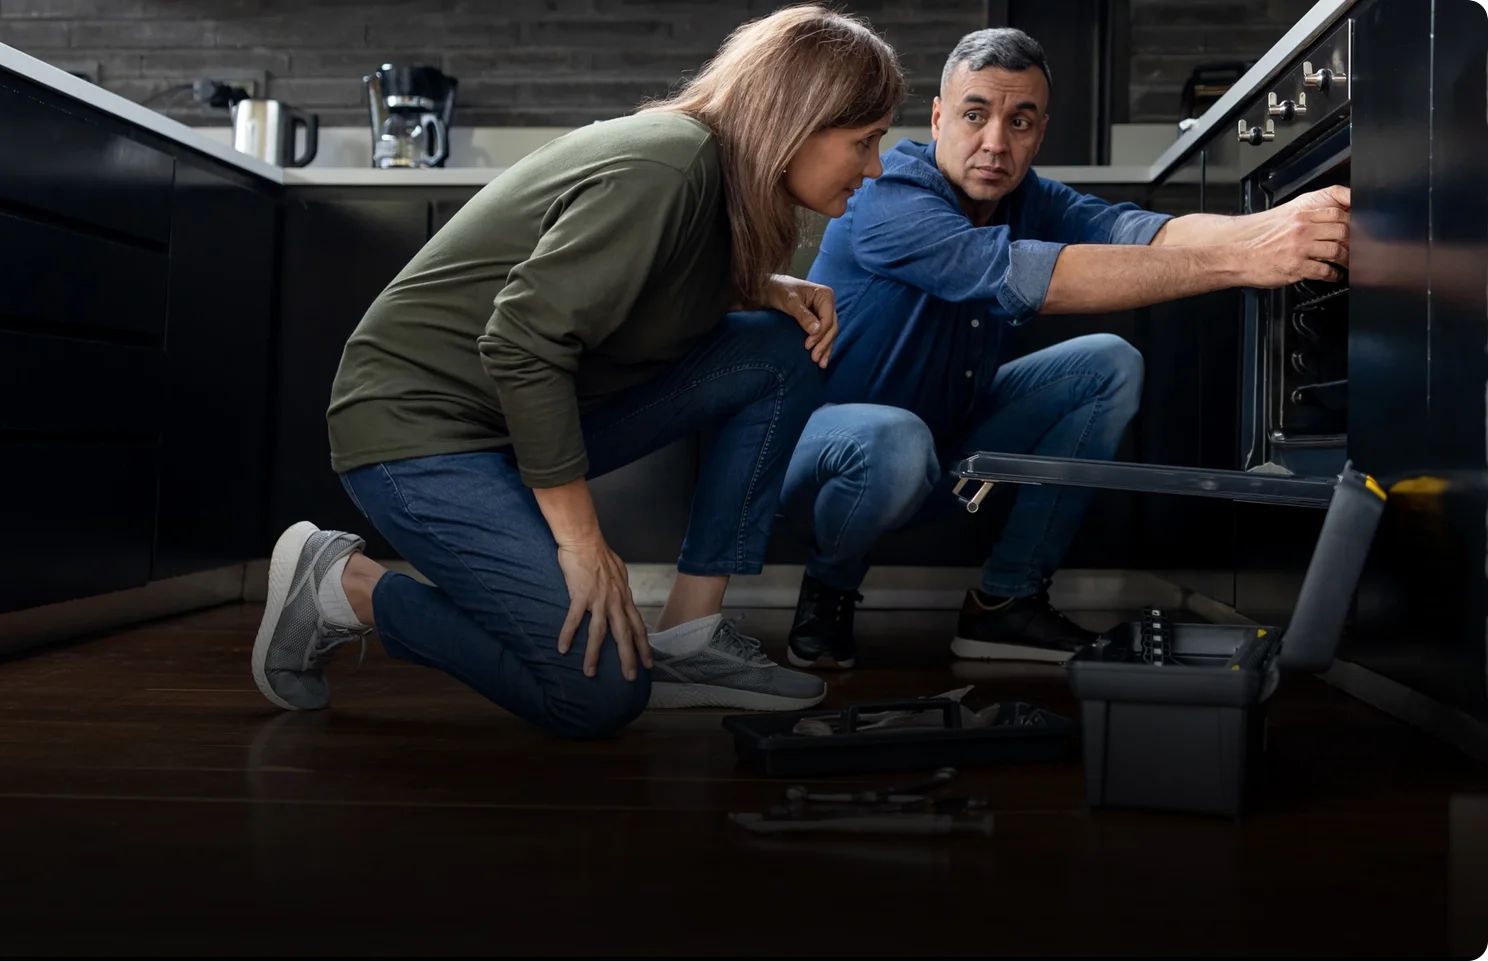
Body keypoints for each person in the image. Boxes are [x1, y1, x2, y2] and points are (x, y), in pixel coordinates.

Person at [248, 5, 908, 738]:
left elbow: (635, 289)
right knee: (598, 694)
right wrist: (583, 544)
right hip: (417, 428)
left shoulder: (716, 182)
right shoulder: (671, 164)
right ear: (797, 120)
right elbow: (522, 344)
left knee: (782, 350)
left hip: (502, 418)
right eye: (864, 141)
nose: (875, 166)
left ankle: (688, 638)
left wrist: (760, 285)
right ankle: (345, 587)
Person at [780, 27, 1352, 669]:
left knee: (1106, 363)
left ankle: (1005, 605)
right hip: (828, 457)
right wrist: (1246, 261)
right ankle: (828, 586)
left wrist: (1277, 226)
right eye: (976, 115)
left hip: (945, 442)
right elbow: (1023, 277)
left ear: (1040, 131)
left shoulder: (1025, 198)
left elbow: (1143, 232)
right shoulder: (888, 199)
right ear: (939, 118)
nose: (996, 143)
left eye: (1019, 121)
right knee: (893, 435)